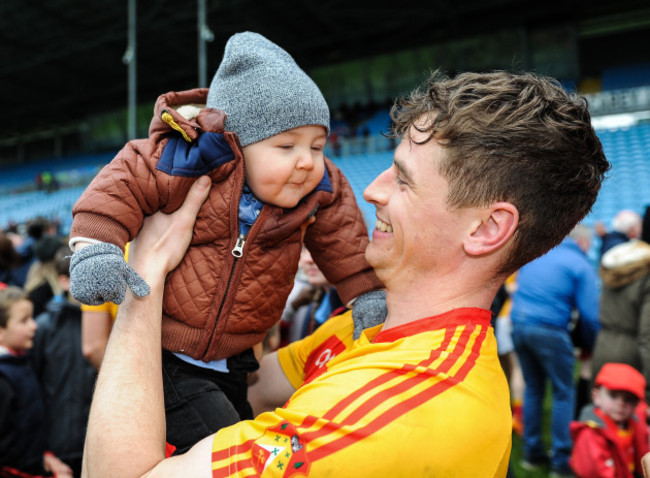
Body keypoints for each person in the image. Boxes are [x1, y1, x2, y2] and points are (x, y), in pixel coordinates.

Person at [81, 69, 609, 477]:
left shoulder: (401, 406)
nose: (372, 190)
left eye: (403, 180)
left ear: (487, 228)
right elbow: (251, 386)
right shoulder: (376, 332)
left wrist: (147, 271)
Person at [68, 32, 385, 452]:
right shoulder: (186, 159)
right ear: (237, 144)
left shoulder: (321, 187)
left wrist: (366, 294)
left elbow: (345, 239)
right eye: (286, 146)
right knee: (228, 450)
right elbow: (121, 184)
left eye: (318, 145)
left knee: (238, 433)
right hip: (168, 356)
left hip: (236, 360)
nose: (307, 161)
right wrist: (94, 248)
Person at [510, 223, 601, 476]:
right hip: (549, 329)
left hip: (519, 325)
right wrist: (590, 347)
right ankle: (561, 462)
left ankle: (531, 454)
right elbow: (591, 316)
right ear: (583, 242)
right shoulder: (580, 264)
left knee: (534, 388)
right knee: (563, 392)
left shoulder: (539, 253)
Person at [31, 246, 97, 477]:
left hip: (103, 444)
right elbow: (31, 395)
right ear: (64, 281)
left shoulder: (114, 322)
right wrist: (44, 451)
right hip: (60, 451)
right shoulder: (43, 328)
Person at [0, 286, 72, 477]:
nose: (34, 326)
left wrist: (46, 455)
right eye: (24, 321)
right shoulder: (4, 379)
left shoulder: (22, 365)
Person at [591, 238, 650, 405]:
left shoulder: (615, 272)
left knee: (601, 407)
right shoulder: (646, 280)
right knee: (623, 413)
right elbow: (647, 337)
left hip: (603, 345)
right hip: (629, 353)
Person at [570, 362, 649, 478]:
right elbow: (594, 471)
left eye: (628, 399)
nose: (621, 404)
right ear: (596, 397)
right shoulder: (592, 432)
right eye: (613, 396)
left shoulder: (630, 422)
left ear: (635, 404)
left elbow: (641, 412)